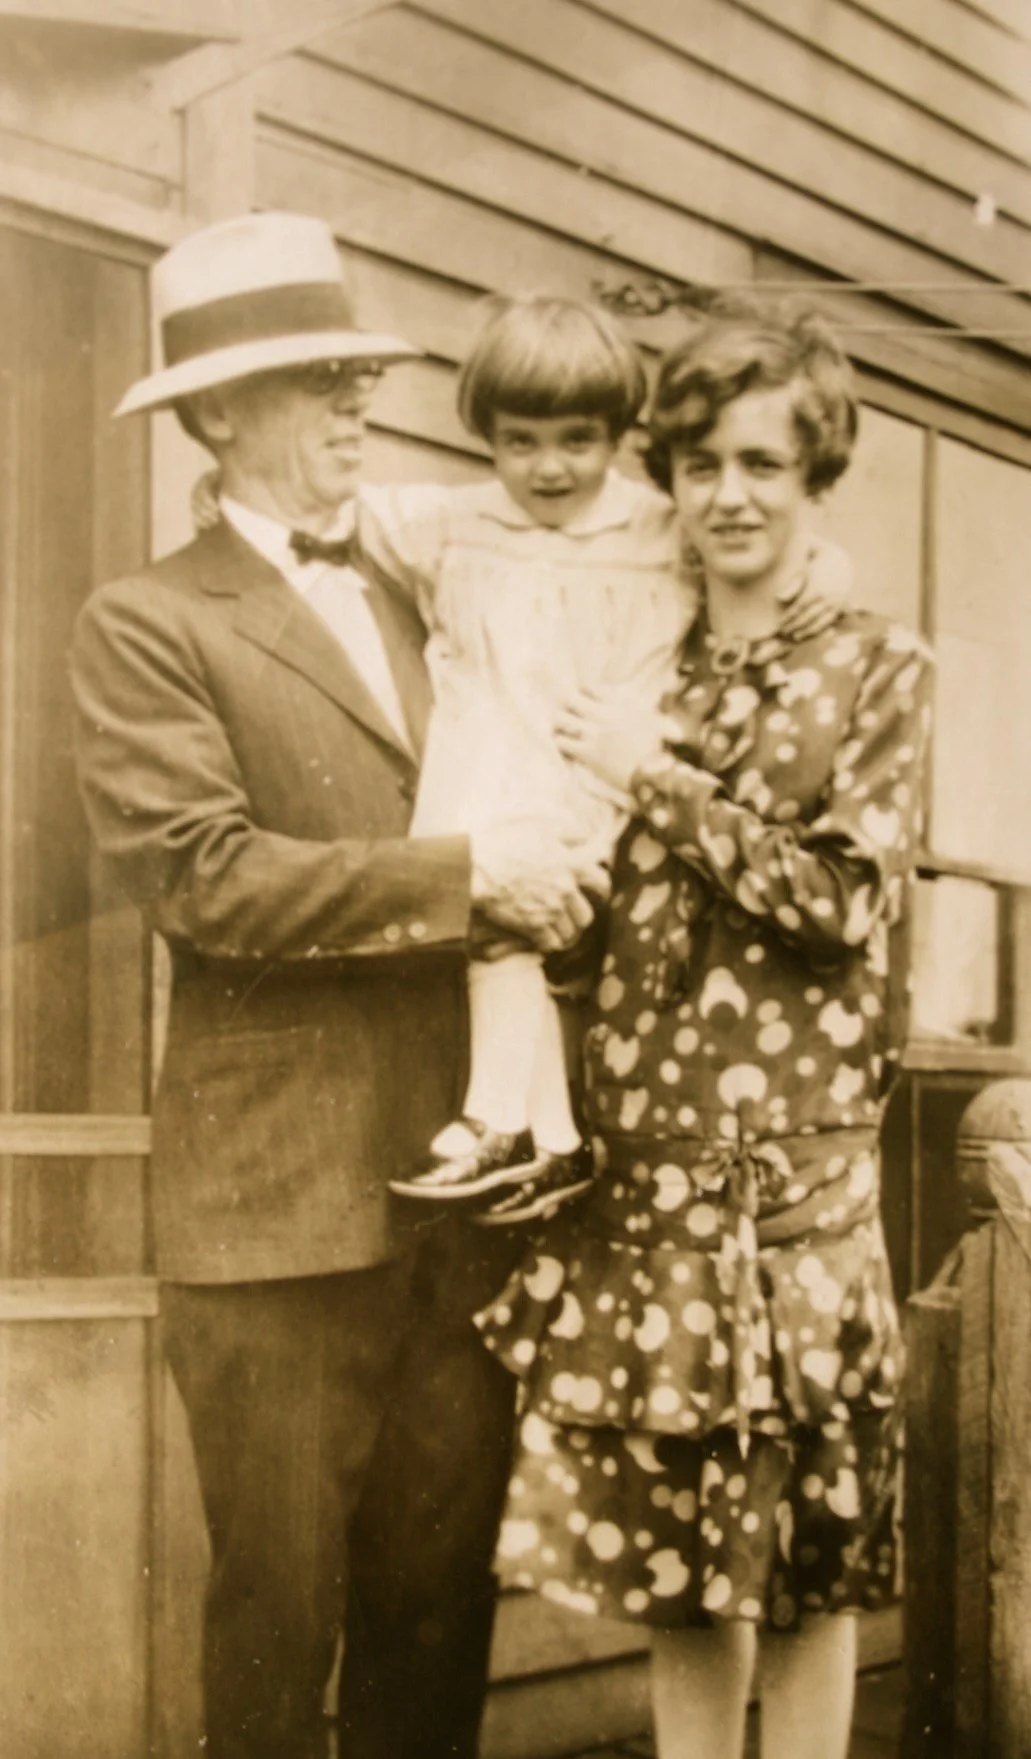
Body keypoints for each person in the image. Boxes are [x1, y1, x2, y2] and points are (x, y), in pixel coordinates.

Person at [69, 210, 598, 1759]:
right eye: (318, 376)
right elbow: (203, 878)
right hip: (274, 1220)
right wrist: (469, 878)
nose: (358, 398)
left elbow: (528, 804)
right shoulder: (147, 623)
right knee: (276, 1623)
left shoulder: (428, 604)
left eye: (359, 371)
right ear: (218, 415)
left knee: (433, 1626)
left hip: (457, 1209)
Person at [475, 301, 933, 1759]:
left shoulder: (876, 666)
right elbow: (606, 928)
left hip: (792, 1195)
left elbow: (836, 901)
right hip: (649, 1184)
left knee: (799, 1569)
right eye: (699, 465)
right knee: (679, 1570)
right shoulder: (645, 668)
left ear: (812, 476)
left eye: (761, 464)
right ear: (667, 476)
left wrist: (653, 780)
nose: (727, 495)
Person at [350, 296, 853, 1223]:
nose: (549, 467)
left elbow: (773, 545)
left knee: (523, 935)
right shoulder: (451, 523)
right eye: (520, 441)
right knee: (503, 928)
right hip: (493, 757)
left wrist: (827, 568)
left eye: (577, 440)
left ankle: (497, 1116)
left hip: (593, 761)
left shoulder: (657, 528)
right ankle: (550, 1135)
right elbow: (339, 517)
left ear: (619, 434)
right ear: (484, 435)